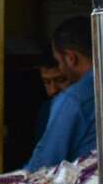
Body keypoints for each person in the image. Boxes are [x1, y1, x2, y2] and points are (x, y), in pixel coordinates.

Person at [28, 16, 96, 169]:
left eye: (59, 61)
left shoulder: (74, 99)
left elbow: (42, 166)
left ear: (71, 58)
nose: (53, 90)